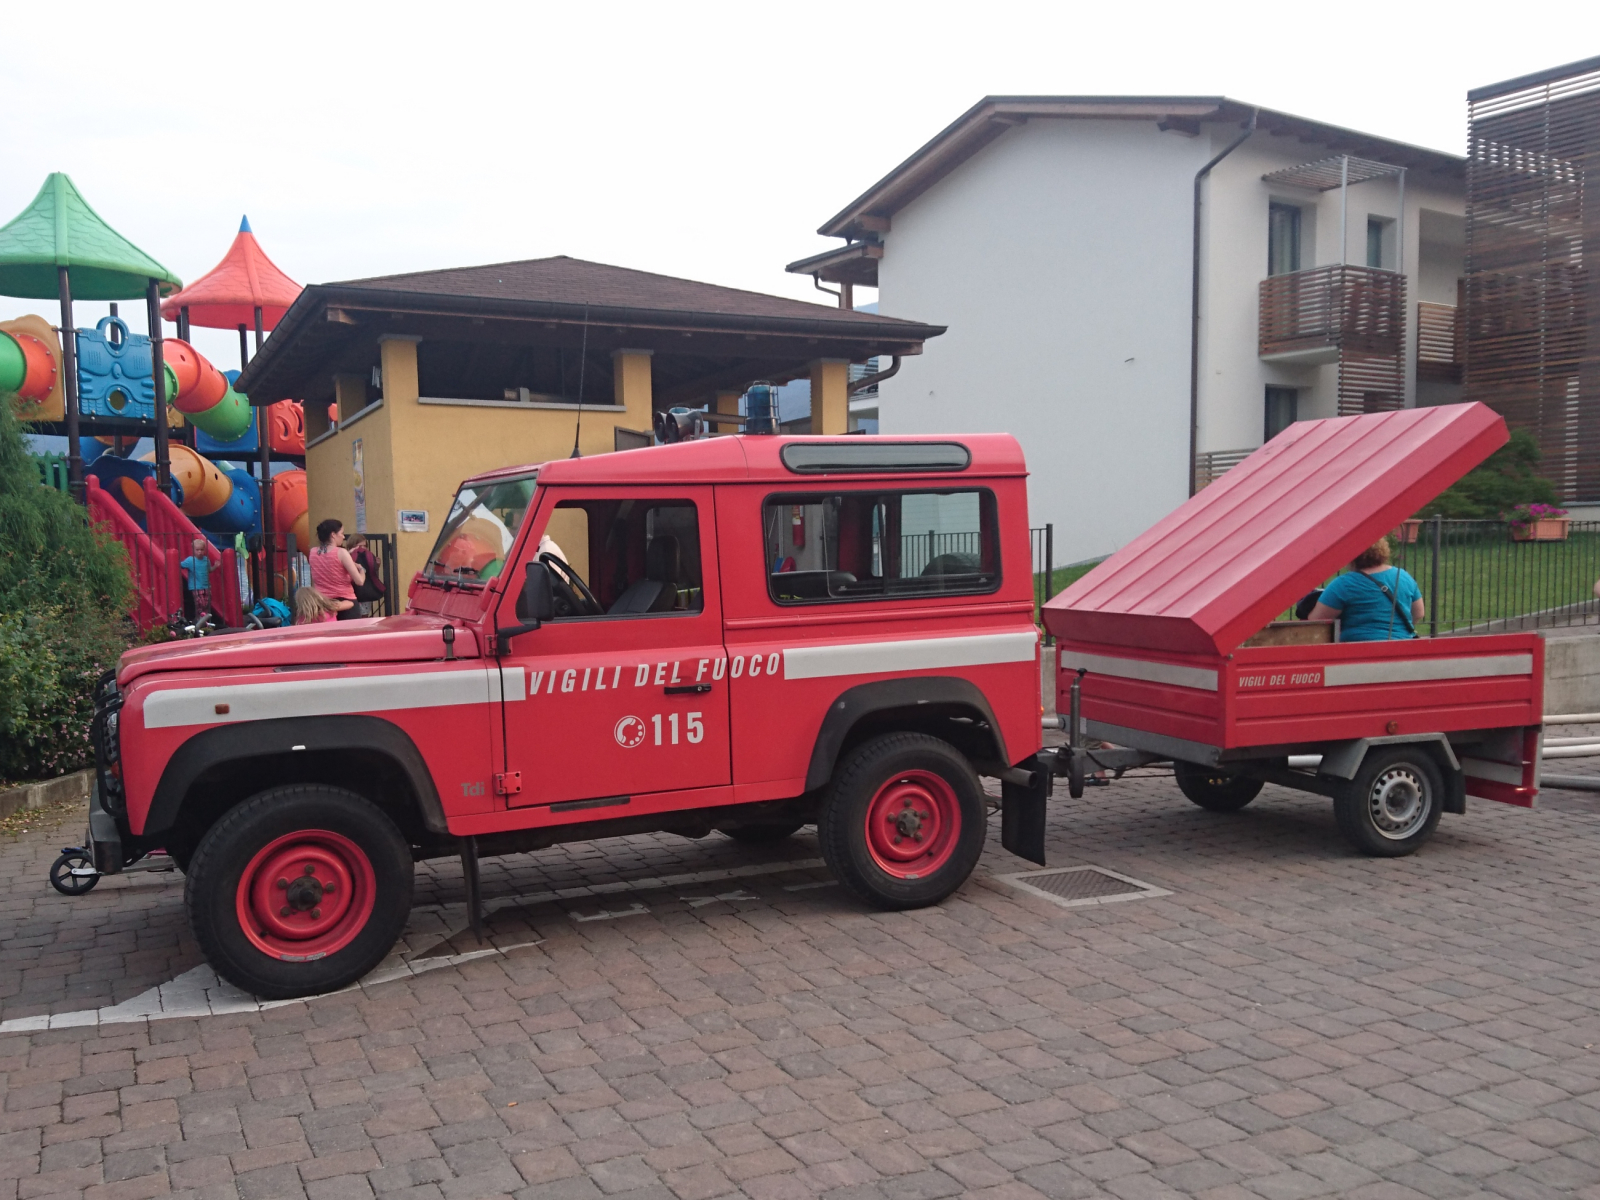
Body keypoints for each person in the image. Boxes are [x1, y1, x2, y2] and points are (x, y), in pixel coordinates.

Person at [1309, 537, 1424, 642]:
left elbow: (1316, 620)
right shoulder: (1403, 576)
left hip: (1357, 649)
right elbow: (1419, 613)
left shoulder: (1343, 584)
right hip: (1400, 645)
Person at [308, 519, 365, 620]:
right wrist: (361, 569)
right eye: (342, 533)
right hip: (347, 602)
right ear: (333, 535)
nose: (343, 537)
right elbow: (359, 581)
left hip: (323, 603)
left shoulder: (313, 552)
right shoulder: (341, 552)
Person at [345, 533, 385, 616]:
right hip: (351, 591)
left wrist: (376, 565)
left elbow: (371, 573)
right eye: (360, 546)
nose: (362, 549)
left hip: (365, 591)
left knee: (364, 615)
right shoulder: (345, 555)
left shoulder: (368, 556)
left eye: (365, 546)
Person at [178, 538, 212, 623]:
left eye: (201, 549)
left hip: (206, 586)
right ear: (193, 550)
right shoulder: (190, 560)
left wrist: (215, 566)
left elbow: (209, 570)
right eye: (197, 550)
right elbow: (180, 565)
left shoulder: (206, 560)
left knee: (207, 604)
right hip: (196, 586)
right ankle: (199, 619)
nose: (200, 552)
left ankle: (205, 621)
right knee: (200, 603)